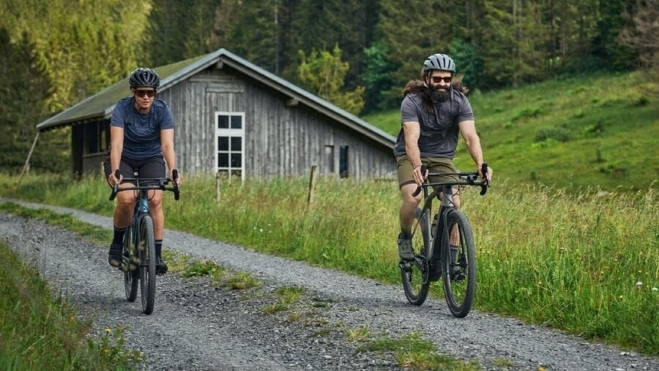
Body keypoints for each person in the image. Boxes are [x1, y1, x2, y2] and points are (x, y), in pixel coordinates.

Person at [393, 53, 492, 262]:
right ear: (427, 78)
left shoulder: (459, 102)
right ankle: (405, 237)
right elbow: (412, 138)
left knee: (454, 202)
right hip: (410, 155)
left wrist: (481, 165)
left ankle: (450, 259)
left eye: (446, 79)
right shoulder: (412, 101)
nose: (442, 84)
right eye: (437, 79)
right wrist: (418, 166)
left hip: (441, 158)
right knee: (413, 197)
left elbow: (470, 136)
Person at [103, 67, 182, 274]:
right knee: (127, 198)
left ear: (155, 92)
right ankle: (118, 244)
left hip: (150, 158)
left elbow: (166, 146)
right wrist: (116, 170)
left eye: (150, 92)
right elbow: (117, 143)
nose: (146, 97)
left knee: (156, 199)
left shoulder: (163, 110)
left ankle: (156, 255)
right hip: (124, 158)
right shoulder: (121, 109)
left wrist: (174, 170)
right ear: (133, 92)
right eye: (141, 92)